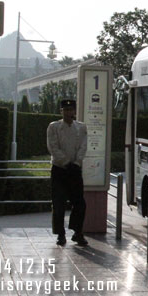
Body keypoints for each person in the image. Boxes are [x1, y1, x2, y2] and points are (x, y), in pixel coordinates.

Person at [46, 99, 88, 246]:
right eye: (66, 110)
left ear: (75, 111)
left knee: (80, 203)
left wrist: (77, 163)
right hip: (60, 170)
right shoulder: (54, 127)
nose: (69, 113)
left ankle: (78, 232)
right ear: (61, 111)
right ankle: (60, 234)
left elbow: (83, 146)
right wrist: (66, 163)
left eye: (71, 110)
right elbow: (53, 147)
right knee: (58, 203)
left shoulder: (81, 127)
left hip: (75, 170)